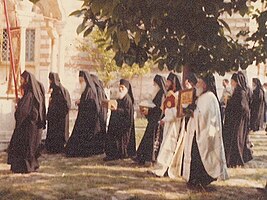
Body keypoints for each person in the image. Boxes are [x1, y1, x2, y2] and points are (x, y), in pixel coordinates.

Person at [183, 73, 228, 188]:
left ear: (205, 84)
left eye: (199, 82)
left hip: (206, 135)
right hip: (198, 132)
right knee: (196, 156)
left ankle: (201, 181)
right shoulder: (203, 97)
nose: (197, 84)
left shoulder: (209, 97)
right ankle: (195, 180)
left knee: (201, 157)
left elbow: (206, 117)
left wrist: (193, 113)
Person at [7, 70, 44, 173]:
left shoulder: (30, 94)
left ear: (27, 80)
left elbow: (23, 112)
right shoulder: (31, 93)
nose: (21, 82)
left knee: (25, 148)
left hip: (28, 127)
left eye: (22, 79)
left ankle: (25, 167)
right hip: (31, 127)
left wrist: (17, 107)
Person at [149, 72, 185, 178]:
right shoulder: (170, 94)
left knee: (169, 145)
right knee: (165, 144)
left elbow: (175, 113)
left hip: (174, 125)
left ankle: (165, 169)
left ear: (173, 83)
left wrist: (166, 119)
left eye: (169, 82)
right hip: (169, 123)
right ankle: (161, 167)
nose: (167, 83)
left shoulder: (177, 95)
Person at [65, 70, 101, 157]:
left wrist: (82, 103)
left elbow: (91, 105)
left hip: (88, 118)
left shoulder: (90, 91)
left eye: (81, 81)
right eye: (79, 81)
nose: (80, 83)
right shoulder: (86, 90)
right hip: (83, 117)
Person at [223, 73, 253, 168]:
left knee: (236, 140)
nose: (231, 82)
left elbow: (242, 107)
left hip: (238, 122)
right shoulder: (237, 91)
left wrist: (229, 102)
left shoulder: (240, 92)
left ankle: (236, 160)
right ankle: (233, 160)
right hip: (235, 120)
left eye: (233, 81)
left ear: (237, 82)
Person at [134, 74, 166, 164]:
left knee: (152, 140)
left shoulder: (162, 94)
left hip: (157, 120)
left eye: (155, 84)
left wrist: (149, 111)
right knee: (147, 138)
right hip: (153, 120)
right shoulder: (157, 94)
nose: (154, 86)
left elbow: (160, 109)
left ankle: (149, 158)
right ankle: (143, 157)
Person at [104, 79, 136, 161]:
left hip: (123, 126)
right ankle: (112, 154)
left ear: (126, 89)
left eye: (122, 87)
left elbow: (127, 113)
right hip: (116, 123)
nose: (120, 89)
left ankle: (119, 154)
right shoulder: (120, 97)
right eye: (119, 87)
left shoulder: (127, 100)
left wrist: (116, 109)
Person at [45, 72, 71, 153]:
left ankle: (57, 148)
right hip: (55, 117)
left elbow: (66, 104)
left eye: (50, 80)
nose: (49, 82)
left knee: (57, 133)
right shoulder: (56, 90)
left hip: (59, 117)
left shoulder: (60, 91)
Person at [91, 74, 108, 155]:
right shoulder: (100, 89)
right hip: (102, 113)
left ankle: (98, 149)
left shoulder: (98, 90)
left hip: (100, 114)